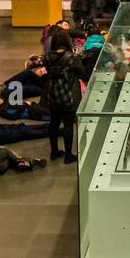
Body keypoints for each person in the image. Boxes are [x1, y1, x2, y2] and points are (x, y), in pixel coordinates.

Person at [44, 27, 83, 162]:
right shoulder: (72, 57)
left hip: (53, 94)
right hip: (69, 95)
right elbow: (81, 73)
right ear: (67, 41)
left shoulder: (47, 57)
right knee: (68, 124)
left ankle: (54, 151)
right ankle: (68, 155)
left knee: (53, 122)